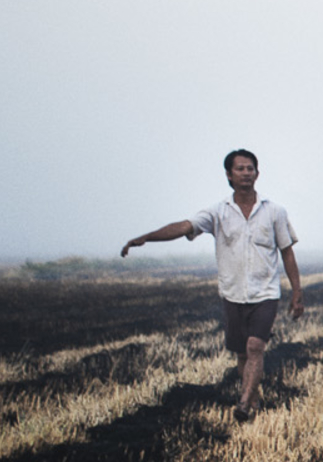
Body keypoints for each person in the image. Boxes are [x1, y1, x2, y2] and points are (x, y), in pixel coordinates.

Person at [120, 148, 303, 421]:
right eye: (239, 169)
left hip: (265, 293)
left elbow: (287, 251)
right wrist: (146, 237)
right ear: (229, 175)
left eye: (250, 168)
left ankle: (242, 404)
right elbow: (184, 226)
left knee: (255, 347)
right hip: (232, 294)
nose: (246, 173)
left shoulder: (275, 211)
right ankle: (252, 402)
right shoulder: (217, 212)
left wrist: (296, 293)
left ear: (257, 173)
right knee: (242, 353)